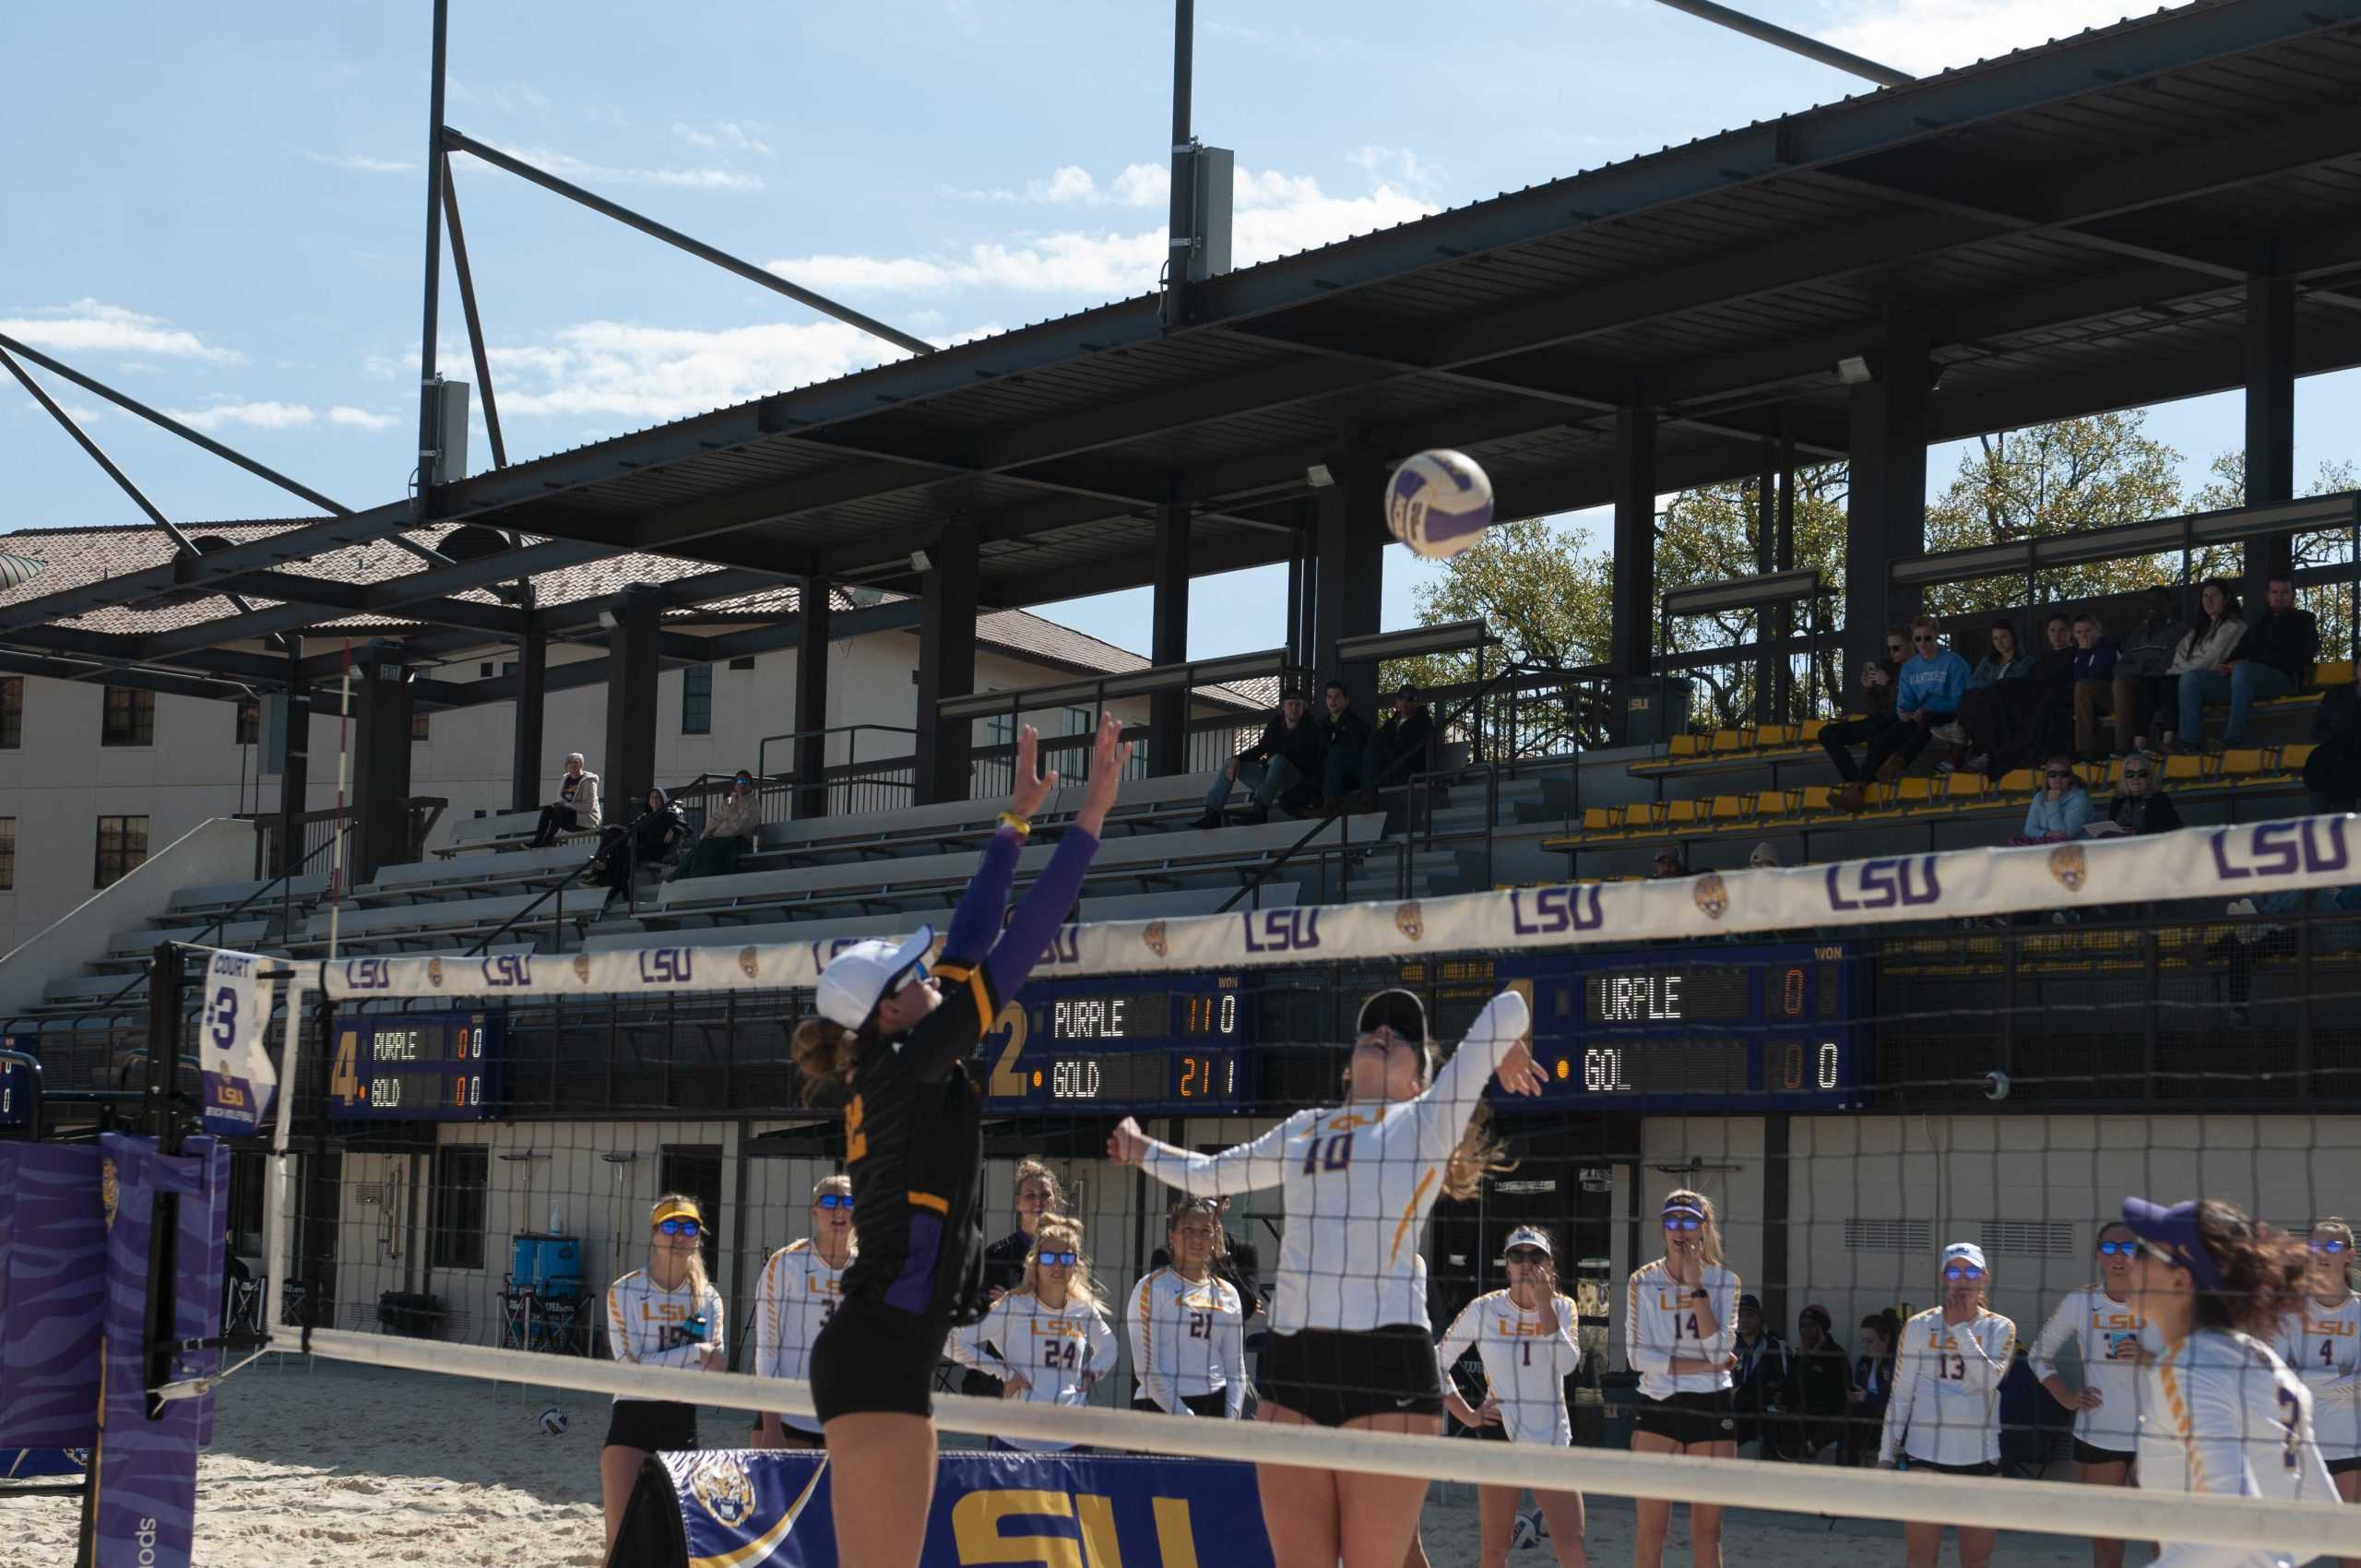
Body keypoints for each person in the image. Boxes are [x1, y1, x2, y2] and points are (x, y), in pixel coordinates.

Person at [791, 712, 1126, 1568]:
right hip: (880, 1352)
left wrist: (1016, 820)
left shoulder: (900, 1056)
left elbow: (973, 936)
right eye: (914, 970)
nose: (933, 967)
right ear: (893, 1007)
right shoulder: (912, 1060)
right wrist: (1091, 818)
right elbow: (1015, 948)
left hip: (881, 1348)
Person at [1107, 985, 1541, 1568]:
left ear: (1420, 1079)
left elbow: (1509, 1004)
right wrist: (1142, 1150)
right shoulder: (1306, 1127)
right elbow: (1212, 1175)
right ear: (1345, 1064)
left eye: (1403, 1035)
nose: (1385, 1033)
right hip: (1296, 1365)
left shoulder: (1425, 1120)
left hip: (1386, 1368)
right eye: (1373, 1028)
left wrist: (1506, 1045)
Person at [2118, 1195, 2337, 1568]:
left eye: (2142, 1250)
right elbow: (2324, 1519)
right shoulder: (2265, 1361)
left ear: (2178, 1278)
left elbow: (2233, 1526)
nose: (2126, 1260)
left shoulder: (2186, 1366)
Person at [1432, 1225, 1590, 1568]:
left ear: (1549, 1265)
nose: (1526, 1263)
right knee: (1494, 1547)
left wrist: (1543, 1305)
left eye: (1536, 1256)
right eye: (1517, 1255)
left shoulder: (1563, 1307)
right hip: (1499, 1431)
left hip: (1548, 1434)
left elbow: (1567, 1365)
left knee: (1571, 1541)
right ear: (1506, 1265)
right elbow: (1435, 1362)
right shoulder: (1484, 1309)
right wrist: (1467, 1415)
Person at [1879, 1242, 2017, 1568]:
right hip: (1925, 1457)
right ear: (1944, 1277)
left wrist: (1959, 1328)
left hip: (1980, 1459)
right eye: (1954, 1271)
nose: (1963, 1279)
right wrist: (1886, 1456)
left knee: (1975, 1560)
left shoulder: (2000, 1327)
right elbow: (1901, 1396)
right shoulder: (1918, 1326)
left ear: (1984, 1276)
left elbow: (1987, 1381)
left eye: (1970, 1270)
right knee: (1921, 1559)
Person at [601, 1195, 726, 1550]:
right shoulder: (624, 1291)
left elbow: (716, 1369)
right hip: (631, 1420)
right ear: (654, 1233)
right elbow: (628, 1369)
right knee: (621, 1543)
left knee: (676, 1546)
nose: (679, 1235)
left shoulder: (709, 1299)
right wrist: (693, 1353)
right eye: (670, 1225)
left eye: (689, 1227)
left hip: (680, 1424)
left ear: (698, 1237)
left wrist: (666, 1361)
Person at [1626, 1190, 1741, 1568]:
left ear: (1703, 1229)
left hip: (1711, 1408)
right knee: (1651, 1531)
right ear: (1663, 1229)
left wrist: (1695, 1288)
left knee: (1707, 1535)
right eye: (1672, 1221)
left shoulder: (1725, 1281)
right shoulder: (1642, 1280)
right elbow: (1637, 1358)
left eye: (1689, 1221)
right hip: (1659, 1406)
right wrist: (1704, 1367)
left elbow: (1720, 1352)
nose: (1680, 1230)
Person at [2030, 1222, 2151, 1568]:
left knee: (2165, 1538)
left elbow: (2191, 1365)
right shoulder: (2081, 1301)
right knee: (2108, 1543)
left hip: (2157, 1436)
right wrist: (2065, 1397)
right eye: (2110, 1249)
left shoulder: (2163, 1301)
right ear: (2098, 1255)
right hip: (2100, 1433)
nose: (2118, 1257)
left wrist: (2149, 1358)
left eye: (2127, 1249)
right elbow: (2039, 1353)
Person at [948, 1216, 1117, 1452]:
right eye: (1049, 1257)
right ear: (1035, 1263)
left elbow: (1110, 1347)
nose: (1057, 1265)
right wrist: (1003, 1373)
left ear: (1076, 1264)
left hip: (1072, 1438)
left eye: (1066, 1257)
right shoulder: (1015, 1306)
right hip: (1018, 1438)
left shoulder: (1082, 1310)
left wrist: (1091, 1373)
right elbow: (953, 1341)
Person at [752, 1175, 855, 1450]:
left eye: (848, 1202)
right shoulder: (785, 1263)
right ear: (814, 1210)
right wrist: (771, 1426)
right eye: (830, 1201)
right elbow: (766, 1347)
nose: (839, 1211)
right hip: (788, 1418)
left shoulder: (869, 1268)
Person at [2275, 1217, 2359, 1540]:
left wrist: (2302, 1377)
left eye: (2333, 1245)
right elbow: (2275, 1378)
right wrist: (2339, 1378)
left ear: (2348, 1254)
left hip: (2350, 1444)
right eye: (2315, 1244)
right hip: (2297, 1443)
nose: (2323, 1252)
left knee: (2348, 1541)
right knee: (2292, 1544)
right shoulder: (2288, 1311)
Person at [1128, 1197, 1248, 1419]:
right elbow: (1146, 1369)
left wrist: (1231, 1419)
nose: (1196, 1238)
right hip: (1159, 1407)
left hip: (1214, 1406)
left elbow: (1236, 1368)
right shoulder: (1152, 1288)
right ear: (1171, 1237)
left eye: (1205, 1231)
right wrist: (1184, 1417)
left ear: (1215, 1237)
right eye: (1188, 1229)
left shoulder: (1228, 1293)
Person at [1834, 616, 1969, 808]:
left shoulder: (1954, 662)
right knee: (1884, 737)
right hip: (1920, 714)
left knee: (1925, 719)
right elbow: (1905, 701)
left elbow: (1959, 700)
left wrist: (1929, 708)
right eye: (1918, 639)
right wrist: (1904, 711)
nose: (1923, 643)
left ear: (1936, 636)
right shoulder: (1910, 668)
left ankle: (1898, 761)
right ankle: (1858, 788)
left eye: (1927, 638)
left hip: (1947, 712)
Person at [2181, 573, 2318, 753]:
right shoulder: (2259, 625)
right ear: (2267, 595)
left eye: (2284, 592)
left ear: (2293, 595)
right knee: (2191, 679)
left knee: (2243, 670)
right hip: (2244, 681)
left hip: (2282, 680)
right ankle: (2190, 743)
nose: (2279, 597)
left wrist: (2247, 663)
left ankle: (2231, 741)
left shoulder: (2304, 621)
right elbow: (2238, 653)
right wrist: (2227, 666)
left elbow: (2301, 658)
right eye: (2275, 592)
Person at [970, 1159, 1066, 1398]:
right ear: (1017, 1202)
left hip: (1053, 1375)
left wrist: (1014, 1303)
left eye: (1045, 1195)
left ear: (1054, 1201)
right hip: (1005, 1377)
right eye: (1030, 1195)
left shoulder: (1067, 1253)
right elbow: (979, 1317)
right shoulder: (997, 1255)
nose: (1038, 1202)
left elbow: (1073, 1309)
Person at [1195, 692, 1323, 828]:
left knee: (1278, 760)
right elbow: (1260, 749)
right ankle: (1212, 814)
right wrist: (1237, 759)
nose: (1294, 708)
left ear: (1304, 708)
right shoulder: (1275, 727)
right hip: (1270, 779)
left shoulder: (1312, 729)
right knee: (1230, 763)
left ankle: (1259, 811)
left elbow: (1313, 764)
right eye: (1290, 704)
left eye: (1298, 705)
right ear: (1283, 708)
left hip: (1293, 784)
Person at [1149, 1190, 1263, 1325]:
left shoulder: (1244, 1250)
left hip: (1227, 1337)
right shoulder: (1166, 1254)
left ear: (1226, 1204)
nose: (1207, 1206)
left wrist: (1222, 1259)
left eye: (1215, 1200)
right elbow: (1161, 1303)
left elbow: (1245, 1308)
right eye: (1203, 1197)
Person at [2166, 580, 2249, 754]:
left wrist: (2179, 669)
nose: (2208, 601)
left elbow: (2211, 660)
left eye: (2214, 596)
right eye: (2205, 596)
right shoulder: (2196, 632)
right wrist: (2178, 669)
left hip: (2220, 681)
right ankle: (2162, 742)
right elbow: (2179, 657)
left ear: (2226, 599)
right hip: (2195, 679)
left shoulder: (2233, 626)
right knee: (2162, 684)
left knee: (2188, 678)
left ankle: (2189, 742)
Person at [1821, 627, 1906, 786]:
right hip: (1879, 719)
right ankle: (1856, 781)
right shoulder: (1888, 666)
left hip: (1899, 721)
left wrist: (1890, 683)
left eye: (1896, 648)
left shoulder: (1916, 667)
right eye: (1890, 649)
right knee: (1827, 733)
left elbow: (1905, 704)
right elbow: (1875, 707)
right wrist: (1869, 689)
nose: (1892, 652)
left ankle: (1862, 783)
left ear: (1909, 645)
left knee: (1877, 729)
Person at [2113, 586, 2184, 754]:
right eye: (2148, 602)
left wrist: (2142, 671)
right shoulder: (2137, 635)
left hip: (2168, 686)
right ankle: (2125, 746)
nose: (2151, 605)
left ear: (2168, 604)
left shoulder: (2179, 630)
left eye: (2157, 601)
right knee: (2121, 683)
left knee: (2156, 683)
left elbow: (2169, 663)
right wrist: (2141, 668)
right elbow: (2120, 666)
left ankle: (2167, 743)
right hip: (2141, 684)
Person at [591, 788, 689, 907]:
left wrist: (675, 828)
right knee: (613, 832)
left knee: (621, 854)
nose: (655, 800)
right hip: (638, 847)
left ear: (663, 799)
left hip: (654, 850)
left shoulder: (670, 815)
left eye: (658, 797)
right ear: (649, 801)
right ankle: (600, 862)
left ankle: (607, 883)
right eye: (652, 797)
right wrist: (617, 828)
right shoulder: (644, 817)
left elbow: (688, 829)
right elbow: (630, 830)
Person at [1786, 1303, 1855, 1464]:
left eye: (1811, 1326)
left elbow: (1846, 1396)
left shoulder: (1836, 1355)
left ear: (1822, 1328)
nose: (1805, 1331)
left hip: (1826, 1417)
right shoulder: (1799, 1356)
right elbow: (1791, 1387)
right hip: (1800, 1416)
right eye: (1802, 1326)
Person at [1729, 1291, 1795, 1455]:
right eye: (1740, 1315)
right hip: (1733, 1410)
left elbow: (1783, 1383)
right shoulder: (1728, 1346)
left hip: (1763, 1411)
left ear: (1759, 1317)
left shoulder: (1775, 1346)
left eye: (1749, 1315)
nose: (1744, 1320)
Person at [1358, 683, 1437, 810]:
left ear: (1417, 703)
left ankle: (1367, 794)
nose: (1405, 701)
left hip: (1408, 769)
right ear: (1396, 700)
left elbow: (1414, 749)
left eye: (1410, 698)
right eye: (1401, 697)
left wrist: (1394, 740)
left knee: (1376, 745)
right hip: (1389, 767)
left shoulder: (1423, 722)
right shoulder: (1391, 723)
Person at [677, 770, 761, 880]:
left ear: (750, 785)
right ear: (735, 785)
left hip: (739, 840)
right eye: (740, 780)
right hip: (721, 839)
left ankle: (692, 877)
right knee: (701, 846)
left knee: (707, 847)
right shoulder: (729, 800)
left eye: (746, 781)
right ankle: (683, 874)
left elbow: (740, 827)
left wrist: (716, 835)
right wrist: (705, 834)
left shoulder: (753, 804)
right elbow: (716, 819)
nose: (742, 783)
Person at [2070, 612, 2125, 761]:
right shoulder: (2078, 651)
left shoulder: (2107, 647)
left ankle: (2085, 750)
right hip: (2093, 699)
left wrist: (2084, 652)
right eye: (2079, 632)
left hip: (2116, 695)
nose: (2084, 636)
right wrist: (2083, 653)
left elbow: (2095, 675)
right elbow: (2075, 677)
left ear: (2097, 631)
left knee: (2083, 687)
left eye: (2088, 631)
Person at [1316, 679, 1377, 814]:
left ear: (1346, 700)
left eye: (1337, 697)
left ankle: (1331, 801)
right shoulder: (1321, 725)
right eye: (1329, 697)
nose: (1333, 701)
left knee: (1336, 752)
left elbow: (1363, 750)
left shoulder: (1356, 723)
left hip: (1353, 771)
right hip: (1330, 775)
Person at [2085, 752, 2182, 837]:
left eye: (2142, 774)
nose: (2135, 778)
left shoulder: (2160, 799)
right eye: (2130, 774)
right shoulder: (2118, 799)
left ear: (2149, 778)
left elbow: (2174, 832)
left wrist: (2138, 836)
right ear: (2124, 778)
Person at [1850, 1311, 1899, 1466]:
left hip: (1885, 1421)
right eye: (1863, 1341)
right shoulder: (1865, 1362)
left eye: (1870, 1341)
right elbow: (1858, 1386)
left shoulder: (1895, 1364)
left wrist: (1868, 1398)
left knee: (1847, 1423)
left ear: (1886, 1339)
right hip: (1864, 1418)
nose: (1865, 1346)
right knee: (1846, 1428)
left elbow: (1896, 1402)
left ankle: (1813, 1446)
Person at [2015, 754, 2094, 845]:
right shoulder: (2039, 796)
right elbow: (2028, 830)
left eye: (2064, 774)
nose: (2058, 778)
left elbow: (2065, 836)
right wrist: (2046, 834)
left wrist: (2053, 803)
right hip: (2048, 847)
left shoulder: (2080, 798)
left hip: (2078, 849)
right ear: (2046, 777)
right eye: (2052, 774)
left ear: (2070, 778)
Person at [530, 752, 602, 847]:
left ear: (581, 765)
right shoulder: (566, 778)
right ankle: (537, 841)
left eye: (576, 762)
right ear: (566, 766)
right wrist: (557, 804)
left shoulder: (588, 782)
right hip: (568, 818)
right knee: (548, 809)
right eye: (570, 762)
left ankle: (548, 840)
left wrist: (566, 805)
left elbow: (588, 807)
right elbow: (562, 800)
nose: (572, 764)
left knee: (560, 810)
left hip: (586, 820)